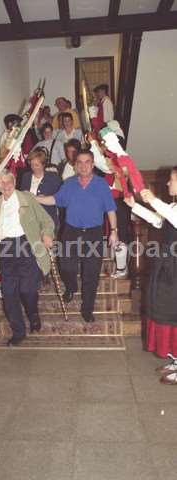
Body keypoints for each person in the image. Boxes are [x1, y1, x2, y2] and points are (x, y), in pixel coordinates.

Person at [37, 150, 118, 322]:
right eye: (79, 162)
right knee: (65, 266)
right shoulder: (69, 183)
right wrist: (36, 199)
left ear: (93, 163)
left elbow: (110, 209)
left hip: (93, 233)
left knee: (91, 273)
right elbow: (55, 199)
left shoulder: (101, 184)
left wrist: (114, 231)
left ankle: (87, 309)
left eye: (87, 161)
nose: (83, 165)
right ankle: (72, 287)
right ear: (75, 165)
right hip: (71, 231)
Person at [0, 171, 54, 345]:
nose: (6, 186)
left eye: (8, 182)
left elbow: (47, 221)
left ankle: (33, 315)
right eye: (1, 183)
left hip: (26, 246)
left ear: (14, 181)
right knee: (9, 294)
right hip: (6, 250)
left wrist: (47, 234)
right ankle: (18, 332)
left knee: (27, 290)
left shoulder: (26, 199)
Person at [124, 172, 177, 384]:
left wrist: (153, 199)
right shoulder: (172, 207)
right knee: (166, 310)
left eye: (172, 179)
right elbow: (158, 221)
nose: (167, 182)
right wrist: (134, 206)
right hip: (167, 266)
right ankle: (175, 359)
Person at [87, 125, 132, 278]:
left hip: (119, 202)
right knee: (114, 234)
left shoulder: (119, 159)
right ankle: (119, 266)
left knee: (119, 234)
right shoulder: (115, 158)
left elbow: (100, 162)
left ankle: (122, 268)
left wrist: (93, 143)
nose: (104, 146)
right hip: (112, 202)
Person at [19, 149, 61, 227]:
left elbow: (59, 198)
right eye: (31, 165)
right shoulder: (26, 176)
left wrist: (42, 198)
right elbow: (21, 196)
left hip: (48, 220)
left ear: (43, 164)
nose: (34, 168)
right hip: (30, 220)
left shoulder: (53, 178)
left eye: (37, 165)